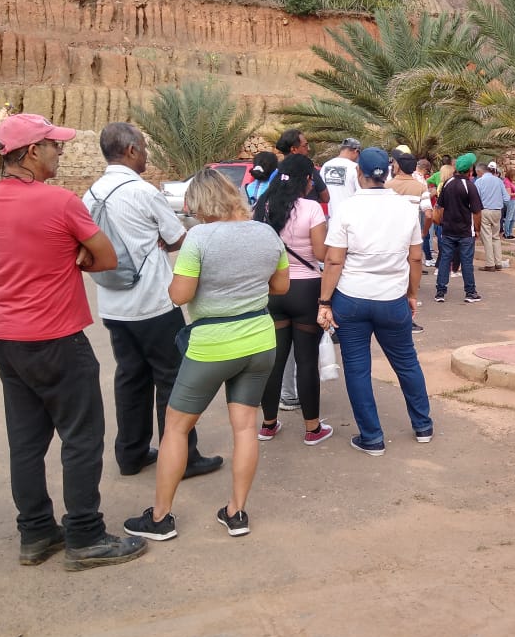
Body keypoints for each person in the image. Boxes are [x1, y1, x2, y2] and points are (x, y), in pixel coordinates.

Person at [0, 113, 148, 570]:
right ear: (32, 151)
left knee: (27, 443)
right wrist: (75, 260)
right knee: (81, 438)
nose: (61, 151)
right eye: (54, 145)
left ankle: (35, 534)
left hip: (7, 340)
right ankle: (85, 537)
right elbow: (107, 257)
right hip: (56, 338)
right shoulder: (59, 202)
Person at [124, 169, 289, 542]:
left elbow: (180, 295)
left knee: (176, 428)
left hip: (212, 345)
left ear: (199, 203)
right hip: (260, 340)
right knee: (246, 427)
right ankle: (236, 512)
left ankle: (161, 517)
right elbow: (280, 285)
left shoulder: (199, 237)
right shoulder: (266, 232)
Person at [84, 123, 222, 480]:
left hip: (113, 305)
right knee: (173, 378)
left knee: (130, 378)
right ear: (130, 150)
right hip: (154, 304)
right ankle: (184, 457)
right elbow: (177, 238)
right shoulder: (142, 192)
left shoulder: (91, 194)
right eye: (143, 148)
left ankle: (131, 454)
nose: (146, 154)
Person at [317, 147, 433, 456]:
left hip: (352, 299)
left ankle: (372, 438)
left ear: (359, 173)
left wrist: (324, 302)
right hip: (392, 298)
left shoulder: (347, 209)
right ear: (390, 171)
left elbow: (334, 262)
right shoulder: (404, 209)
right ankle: (423, 426)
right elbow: (415, 257)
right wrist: (411, 294)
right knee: (407, 362)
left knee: (357, 369)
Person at [252, 155, 333, 445]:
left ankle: (268, 424)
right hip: (306, 290)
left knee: (274, 361)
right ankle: (312, 429)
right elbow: (322, 254)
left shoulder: (263, 206)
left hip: (273, 289)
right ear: (306, 180)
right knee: (306, 361)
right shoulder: (311, 208)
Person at [386, 150, 432, 333]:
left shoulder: (387, 186)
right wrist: (423, 231)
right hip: (410, 239)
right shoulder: (421, 187)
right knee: (409, 276)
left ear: (396, 166)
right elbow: (428, 213)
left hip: (389, 239)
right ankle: (407, 319)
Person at [434, 153, 483, 302]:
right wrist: (478, 229)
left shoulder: (447, 184)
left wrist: (441, 223)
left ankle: (440, 292)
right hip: (465, 231)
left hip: (448, 229)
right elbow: (476, 212)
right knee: (466, 261)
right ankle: (470, 292)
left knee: (445, 260)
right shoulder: (469, 186)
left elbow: (439, 207)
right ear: (470, 170)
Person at [276, 129, 329, 205]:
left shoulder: (276, 170)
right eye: (305, 146)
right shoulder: (309, 170)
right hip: (308, 214)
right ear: (294, 149)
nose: (309, 149)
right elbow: (326, 197)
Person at [475, 161, 507, 270]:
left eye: (477, 173)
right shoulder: (499, 181)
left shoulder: (479, 182)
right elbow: (506, 198)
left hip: (485, 211)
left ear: (480, 171)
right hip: (497, 211)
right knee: (496, 237)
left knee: (487, 238)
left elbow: (475, 199)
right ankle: (498, 262)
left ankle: (490, 263)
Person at [321, 137, 361, 218]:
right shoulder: (355, 167)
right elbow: (360, 194)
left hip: (331, 219)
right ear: (356, 151)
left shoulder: (325, 166)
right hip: (350, 219)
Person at [501, 169, 515, 239]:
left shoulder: (510, 181)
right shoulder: (507, 182)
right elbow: (508, 194)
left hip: (514, 200)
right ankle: (507, 233)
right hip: (510, 200)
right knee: (509, 217)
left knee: (513, 217)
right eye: (514, 176)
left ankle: (510, 232)